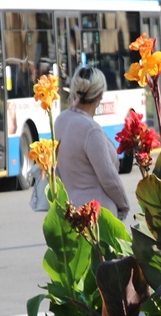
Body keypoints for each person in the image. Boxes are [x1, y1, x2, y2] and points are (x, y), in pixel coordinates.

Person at [54, 66, 131, 219]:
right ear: (101, 95)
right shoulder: (91, 130)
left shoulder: (60, 120)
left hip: (70, 213)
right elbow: (109, 178)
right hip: (97, 217)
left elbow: (58, 171)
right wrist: (124, 205)